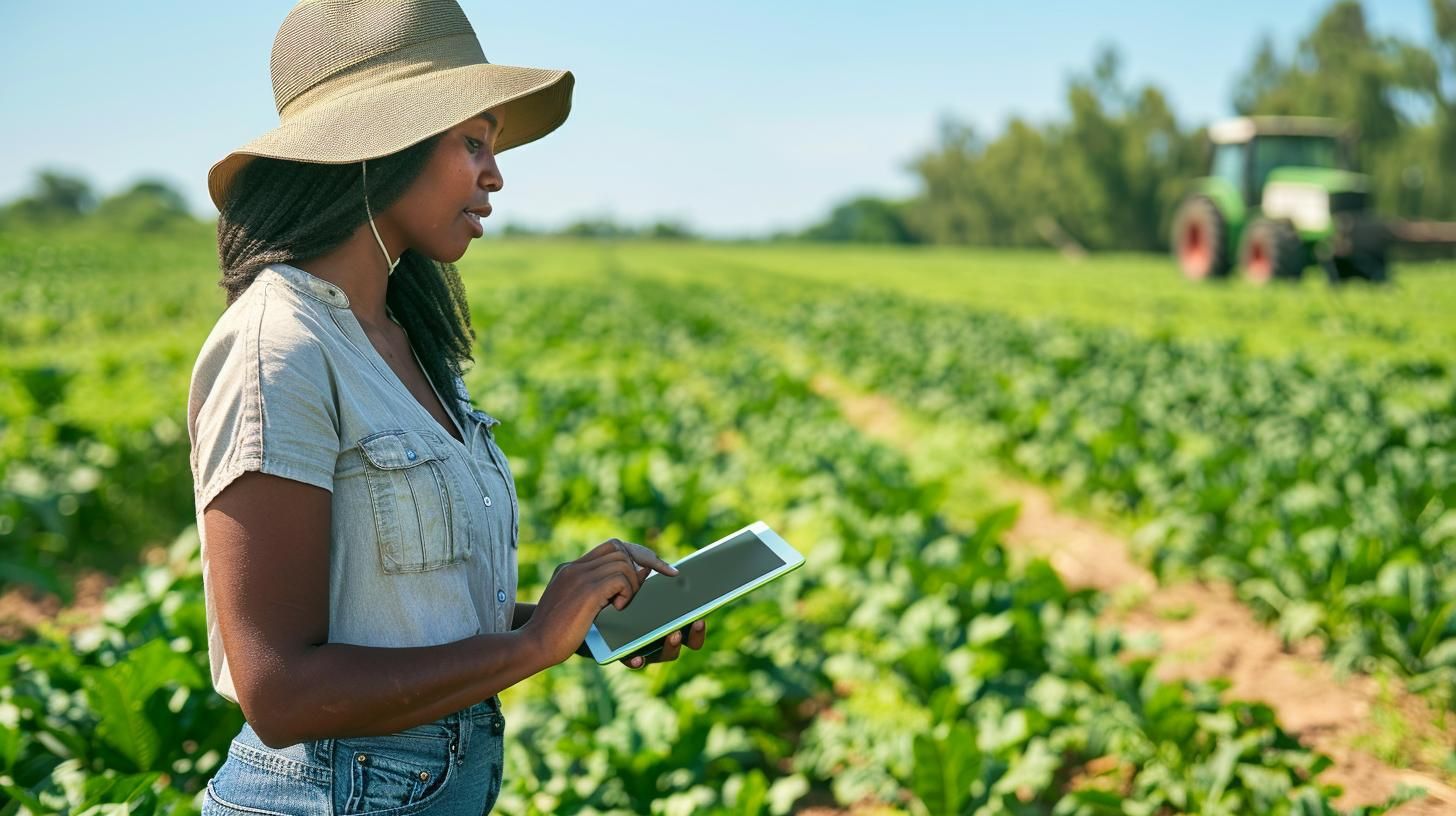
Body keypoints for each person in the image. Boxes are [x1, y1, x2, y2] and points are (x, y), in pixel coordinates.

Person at [187, 1, 706, 813]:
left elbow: (405, 618)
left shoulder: (401, 337)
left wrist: (578, 620)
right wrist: (532, 643)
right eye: (474, 141)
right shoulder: (278, 346)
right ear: (380, 146)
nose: (495, 174)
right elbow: (280, 692)